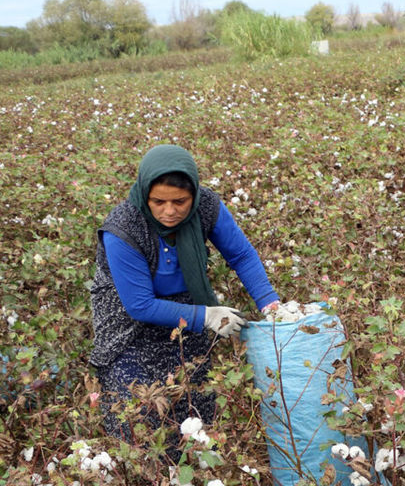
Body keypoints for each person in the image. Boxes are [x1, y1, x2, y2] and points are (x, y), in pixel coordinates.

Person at [90, 144, 280, 448]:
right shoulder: (123, 228)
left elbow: (241, 255)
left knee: (193, 403)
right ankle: (149, 485)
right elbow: (140, 305)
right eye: (158, 201)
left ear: (193, 194)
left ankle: (193, 475)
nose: (170, 211)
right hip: (128, 324)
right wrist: (207, 316)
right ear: (145, 195)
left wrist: (270, 304)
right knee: (139, 415)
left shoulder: (206, 207)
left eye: (180, 201)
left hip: (185, 308)